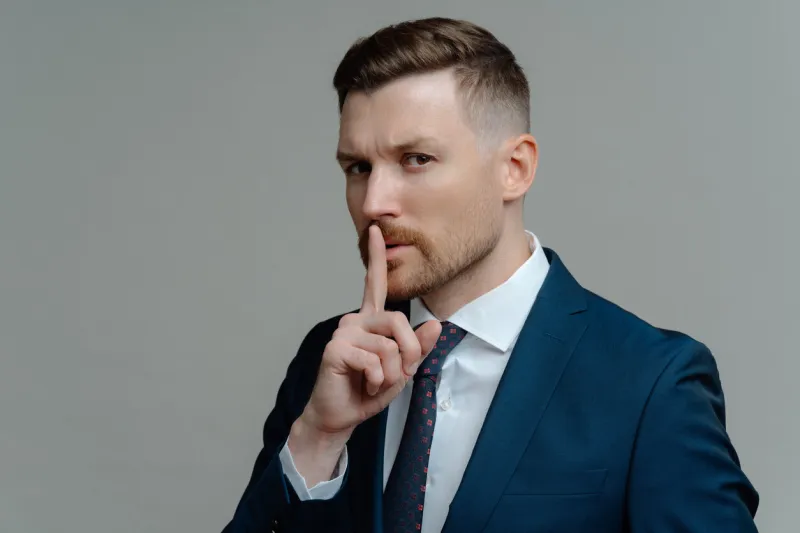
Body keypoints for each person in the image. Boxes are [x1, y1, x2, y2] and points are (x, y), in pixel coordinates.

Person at [222, 17, 759, 533]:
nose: (374, 203)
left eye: (416, 159)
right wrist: (317, 437)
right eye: (358, 168)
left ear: (514, 169)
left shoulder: (649, 382)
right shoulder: (329, 360)